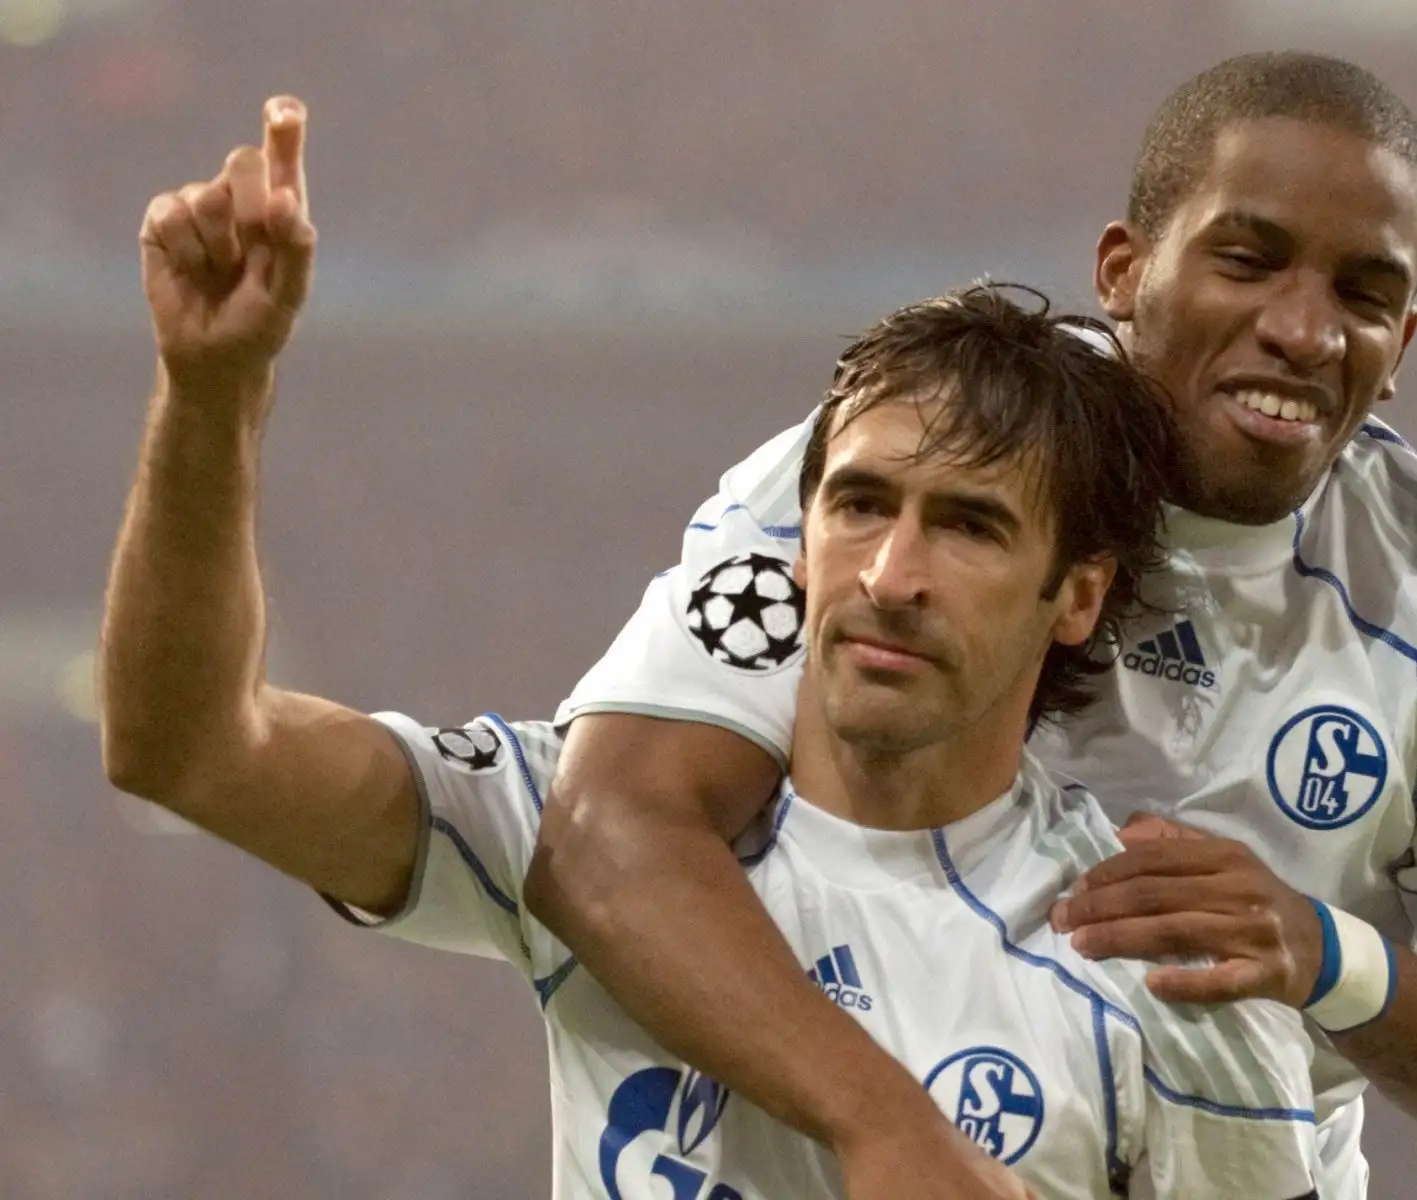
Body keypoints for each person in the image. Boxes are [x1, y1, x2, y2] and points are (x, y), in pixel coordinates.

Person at [99, 123, 1329, 1194]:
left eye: (969, 527)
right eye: (860, 506)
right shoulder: (565, 825)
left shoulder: (1169, 980)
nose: (890, 575)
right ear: (798, 543)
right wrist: (212, 391)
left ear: (1078, 596)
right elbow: (187, 750)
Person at [529, 51, 1417, 1198]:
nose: (1305, 330)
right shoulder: (903, 458)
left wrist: (1329, 958)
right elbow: (605, 829)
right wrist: (887, 1126)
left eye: (1361, 296)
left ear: (1399, 346)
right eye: (1247, 261)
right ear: (1124, 270)